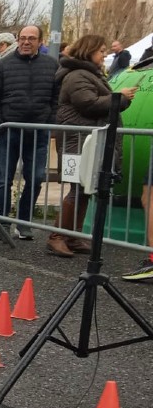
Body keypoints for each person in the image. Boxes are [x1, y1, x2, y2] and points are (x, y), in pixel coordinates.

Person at [49, 34, 138, 257]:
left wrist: (120, 99)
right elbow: (88, 104)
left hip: (85, 139)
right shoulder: (77, 75)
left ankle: (72, 236)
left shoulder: (87, 73)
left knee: (84, 190)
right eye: (101, 51)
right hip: (78, 140)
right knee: (77, 190)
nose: (104, 55)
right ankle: (57, 236)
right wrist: (120, 97)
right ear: (88, 51)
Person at [0, 25, 59, 241]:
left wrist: (49, 122)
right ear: (17, 40)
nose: (26, 42)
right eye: (23, 38)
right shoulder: (3, 65)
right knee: (3, 179)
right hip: (9, 132)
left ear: (40, 41)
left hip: (38, 132)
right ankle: (2, 223)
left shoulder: (52, 65)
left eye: (31, 38)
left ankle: (24, 223)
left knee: (36, 178)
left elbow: (57, 97)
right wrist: (0, 125)